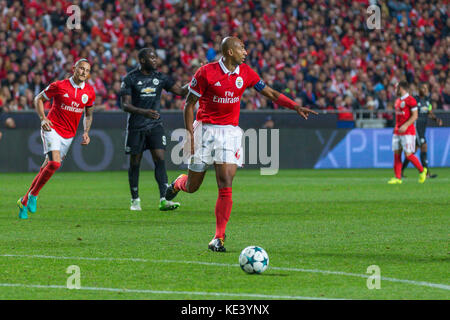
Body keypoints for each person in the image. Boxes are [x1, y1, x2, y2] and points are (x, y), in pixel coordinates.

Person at [164, 37, 317, 252]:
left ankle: (218, 237)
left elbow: (271, 93)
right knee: (193, 186)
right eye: (241, 48)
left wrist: (295, 106)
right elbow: (189, 105)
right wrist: (189, 137)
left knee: (225, 180)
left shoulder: (245, 72)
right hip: (205, 129)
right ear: (228, 52)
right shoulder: (206, 73)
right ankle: (179, 183)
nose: (245, 52)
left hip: (229, 133)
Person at [17, 59, 96, 219]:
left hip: (69, 135)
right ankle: (33, 195)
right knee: (54, 162)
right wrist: (43, 118)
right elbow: (38, 99)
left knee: (46, 167)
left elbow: (88, 114)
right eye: (81, 69)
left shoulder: (89, 92)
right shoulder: (59, 86)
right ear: (74, 69)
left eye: (86, 70)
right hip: (51, 128)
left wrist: (86, 131)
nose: (83, 72)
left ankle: (24, 201)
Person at [119, 48, 189, 211]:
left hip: (155, 125)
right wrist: (144, 112)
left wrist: (198, 77)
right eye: (151, 58)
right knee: (135, 162)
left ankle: (164, 198)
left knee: (159, 159)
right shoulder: (130, 78)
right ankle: (135, 199)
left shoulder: (160, 77)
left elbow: (180, 91)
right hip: (137, 126)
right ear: (142, 60)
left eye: (156, 57)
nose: (155, 60)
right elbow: (125, 105)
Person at [388, 81, 427, 185]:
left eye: (396, 88)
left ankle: (422, 171)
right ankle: (398, 178)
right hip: (397, 131)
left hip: (408, 131)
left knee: (408, 155)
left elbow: (415, 116)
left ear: (400, 88)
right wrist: (396, 127)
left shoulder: (411, 100)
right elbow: (399, 117)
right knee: (396, 154)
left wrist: (405, 126)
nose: (394, 90)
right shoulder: (397, 101)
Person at [401, 83, 443, 178]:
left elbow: (429, 112)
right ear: (418, 89)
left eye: (426, 88)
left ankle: (401, 171)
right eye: (423, 88)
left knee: (411, 152)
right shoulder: (414, 100)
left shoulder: (428, 101)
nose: (424, 90)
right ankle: (426, 173)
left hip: (422, 128)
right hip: (415, 127)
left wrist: (436, 119)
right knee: (424, 146)